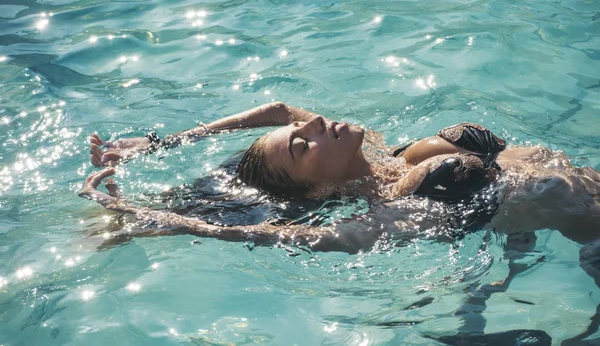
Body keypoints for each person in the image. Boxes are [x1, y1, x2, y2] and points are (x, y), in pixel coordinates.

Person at [80, 101, 600, 252]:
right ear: (318, 188)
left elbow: (280, 110)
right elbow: (298, 235)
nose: (311, 124)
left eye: (305, 129)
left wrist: (164, 142)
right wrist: (158, 218)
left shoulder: (373, 146)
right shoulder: (391, 212)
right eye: (304, 146)